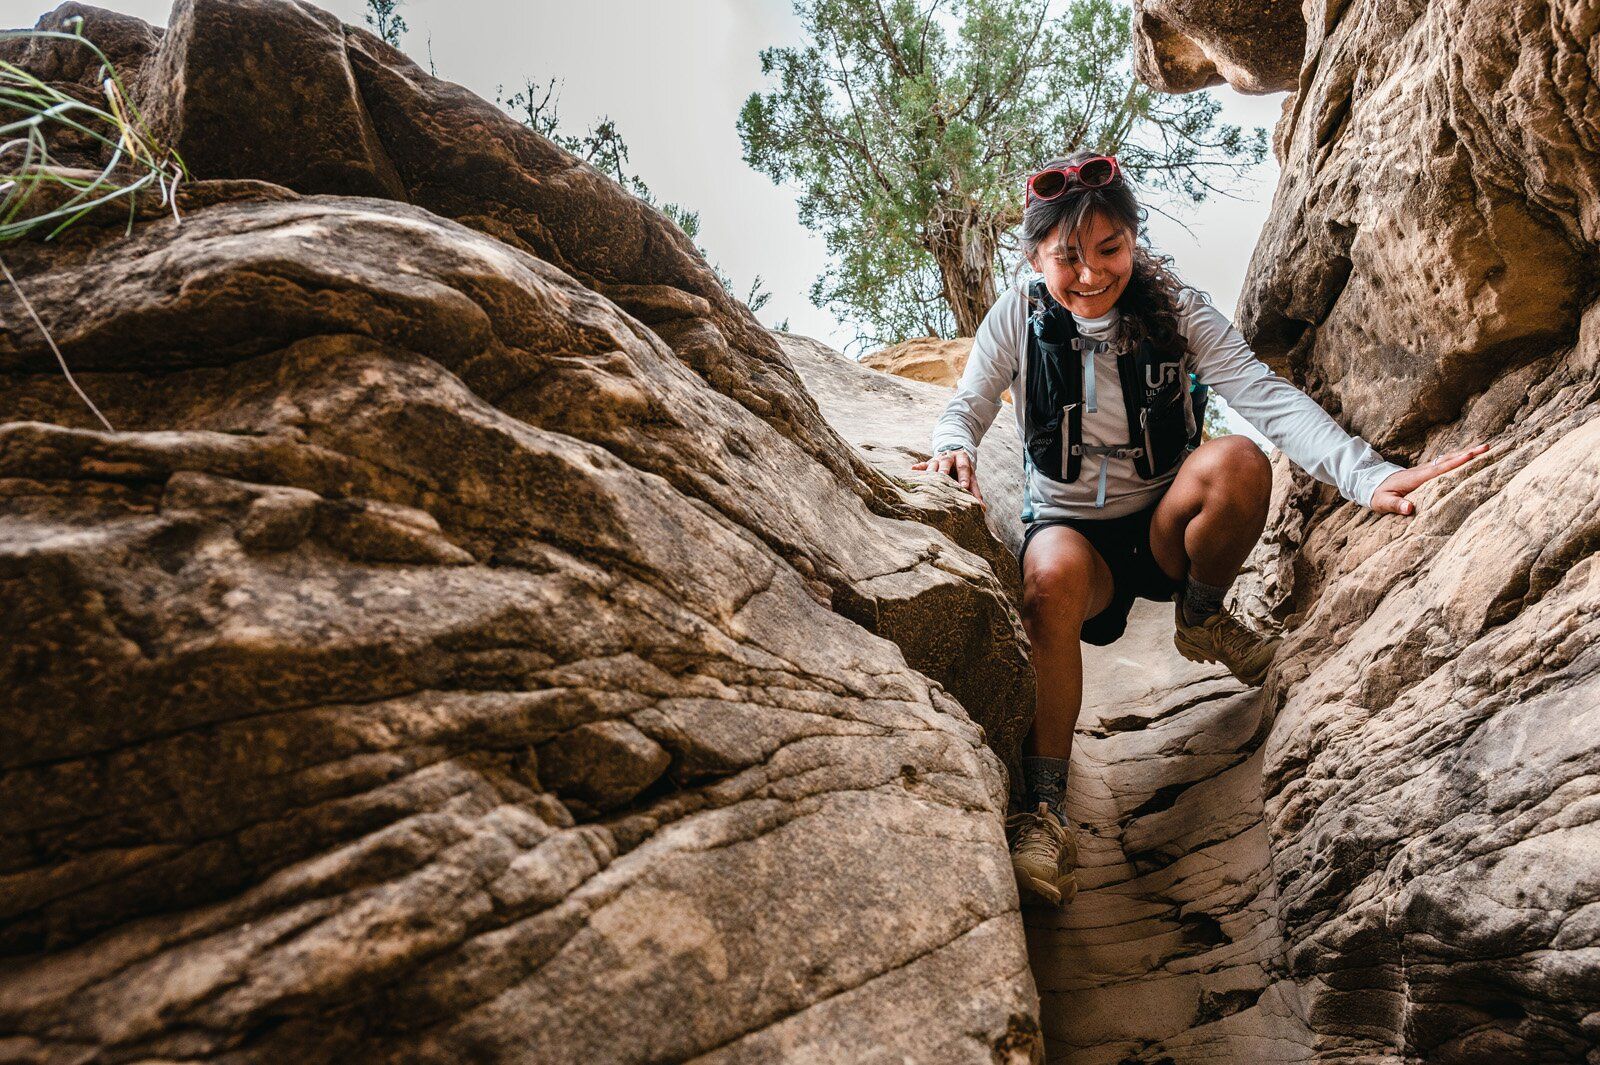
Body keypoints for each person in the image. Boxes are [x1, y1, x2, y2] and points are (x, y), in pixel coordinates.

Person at [913, 151, 1487, 907]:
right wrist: (953, 440)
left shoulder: (1176, 305)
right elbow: (972, 398)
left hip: (1163, 525)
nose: (1089, 274)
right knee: (1046, 577)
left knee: (1242, 462)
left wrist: (1369, 474)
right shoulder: (1018, 314)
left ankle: (1201, 617)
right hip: (1074, 537)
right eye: (1068, 257)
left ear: (1135, 240)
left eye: (1109, 249)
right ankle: (1045, 810)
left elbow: (1265, 398)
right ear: (1035, 257)